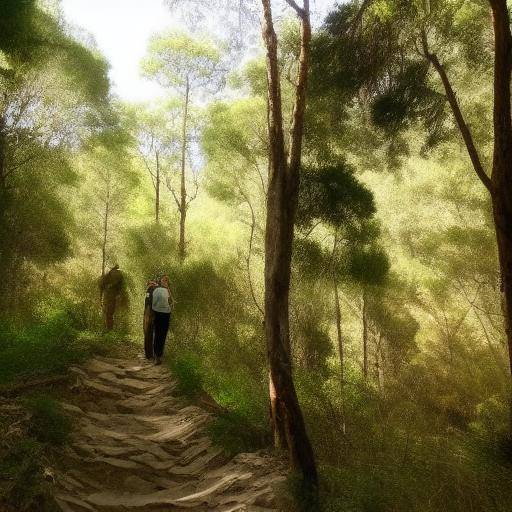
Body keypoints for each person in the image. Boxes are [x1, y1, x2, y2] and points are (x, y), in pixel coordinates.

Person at [151, 275, 174, 365]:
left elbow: (155, 303)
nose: (165, 282)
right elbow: (156, 302)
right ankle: (157, 355)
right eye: (164, 280)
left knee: (160, 334)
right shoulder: (158, 290)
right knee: (160, 334)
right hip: (162, 313)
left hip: (162, 313)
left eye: (166, 281)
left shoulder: (163, 290)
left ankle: (158, 355)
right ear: (161, 282)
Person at [99, 264, 125, 331]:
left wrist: (101, 296)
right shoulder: (120, 273)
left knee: (108, 313)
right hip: (117, 295)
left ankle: (109, 329)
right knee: (113, 313)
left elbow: (101, 285)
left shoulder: (109, 273)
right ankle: (114, 328)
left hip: (110, 295)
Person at [143, 279, 158, 360]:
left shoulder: (150, 289)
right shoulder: (159, 289)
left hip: (149, 313)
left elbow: (148, 303)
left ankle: (149, 355)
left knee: (148, 333)